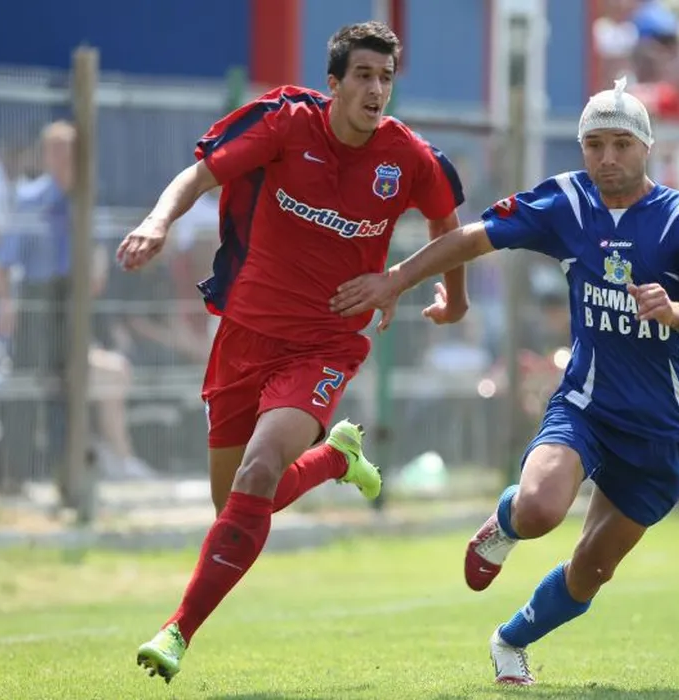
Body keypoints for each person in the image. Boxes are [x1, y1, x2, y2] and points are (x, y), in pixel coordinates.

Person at [330, 77, 679, 685]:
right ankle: (507, 522)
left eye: (621, 144)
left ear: (646, 147)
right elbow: (474, 236)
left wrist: (675, 311)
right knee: (542, 508)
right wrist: (396, 280)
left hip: (660, 432)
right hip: (586, 407)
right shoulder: (567, 201)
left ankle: (510, 640)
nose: (607, 158)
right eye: (594, 144)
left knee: (592, 569)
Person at [117, 21, 467, 683]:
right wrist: (157, 221)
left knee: (257, 474)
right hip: (244, 335)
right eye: (362, 76)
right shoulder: (286, 124)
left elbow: (450, 228)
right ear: (333, 83)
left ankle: (176, 631)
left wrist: (429, 290)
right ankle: (336, 457)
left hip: (325, 344)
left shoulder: (407, 156)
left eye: (386, 78)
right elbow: (200, 174)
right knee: (240, 501)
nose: (376, 90)